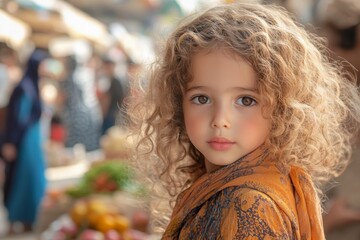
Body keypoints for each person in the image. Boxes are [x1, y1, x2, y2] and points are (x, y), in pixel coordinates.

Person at [127, 2, 360, 239]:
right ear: (179, 103)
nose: (220, 120)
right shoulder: (239, 181)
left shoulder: (248, 208)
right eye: (201, 98)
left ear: (282, 109)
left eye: (246, 101)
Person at [1, 49, 48, 234]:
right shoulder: (25, 87)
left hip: (32, 142)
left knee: (33, 182)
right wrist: (10, 142)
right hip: (23, 143)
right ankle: (14, 221)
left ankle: (29, 220)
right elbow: (18, 119)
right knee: (20, 181)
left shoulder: (33, 86)